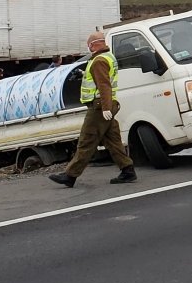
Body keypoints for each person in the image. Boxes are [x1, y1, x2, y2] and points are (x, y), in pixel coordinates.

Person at [49, 31, 137, 187]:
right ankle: (127, 170)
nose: (88, 47)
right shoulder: (108, 57)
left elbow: (104, 85)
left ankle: (70, 176)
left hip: (99, 107)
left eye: (89, 44)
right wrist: (83, 74)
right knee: (113, 140)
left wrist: (105, 107)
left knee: (87, 140)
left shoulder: (98, 60)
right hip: (107, 104)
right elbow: (103, 79)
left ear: (94, 44)